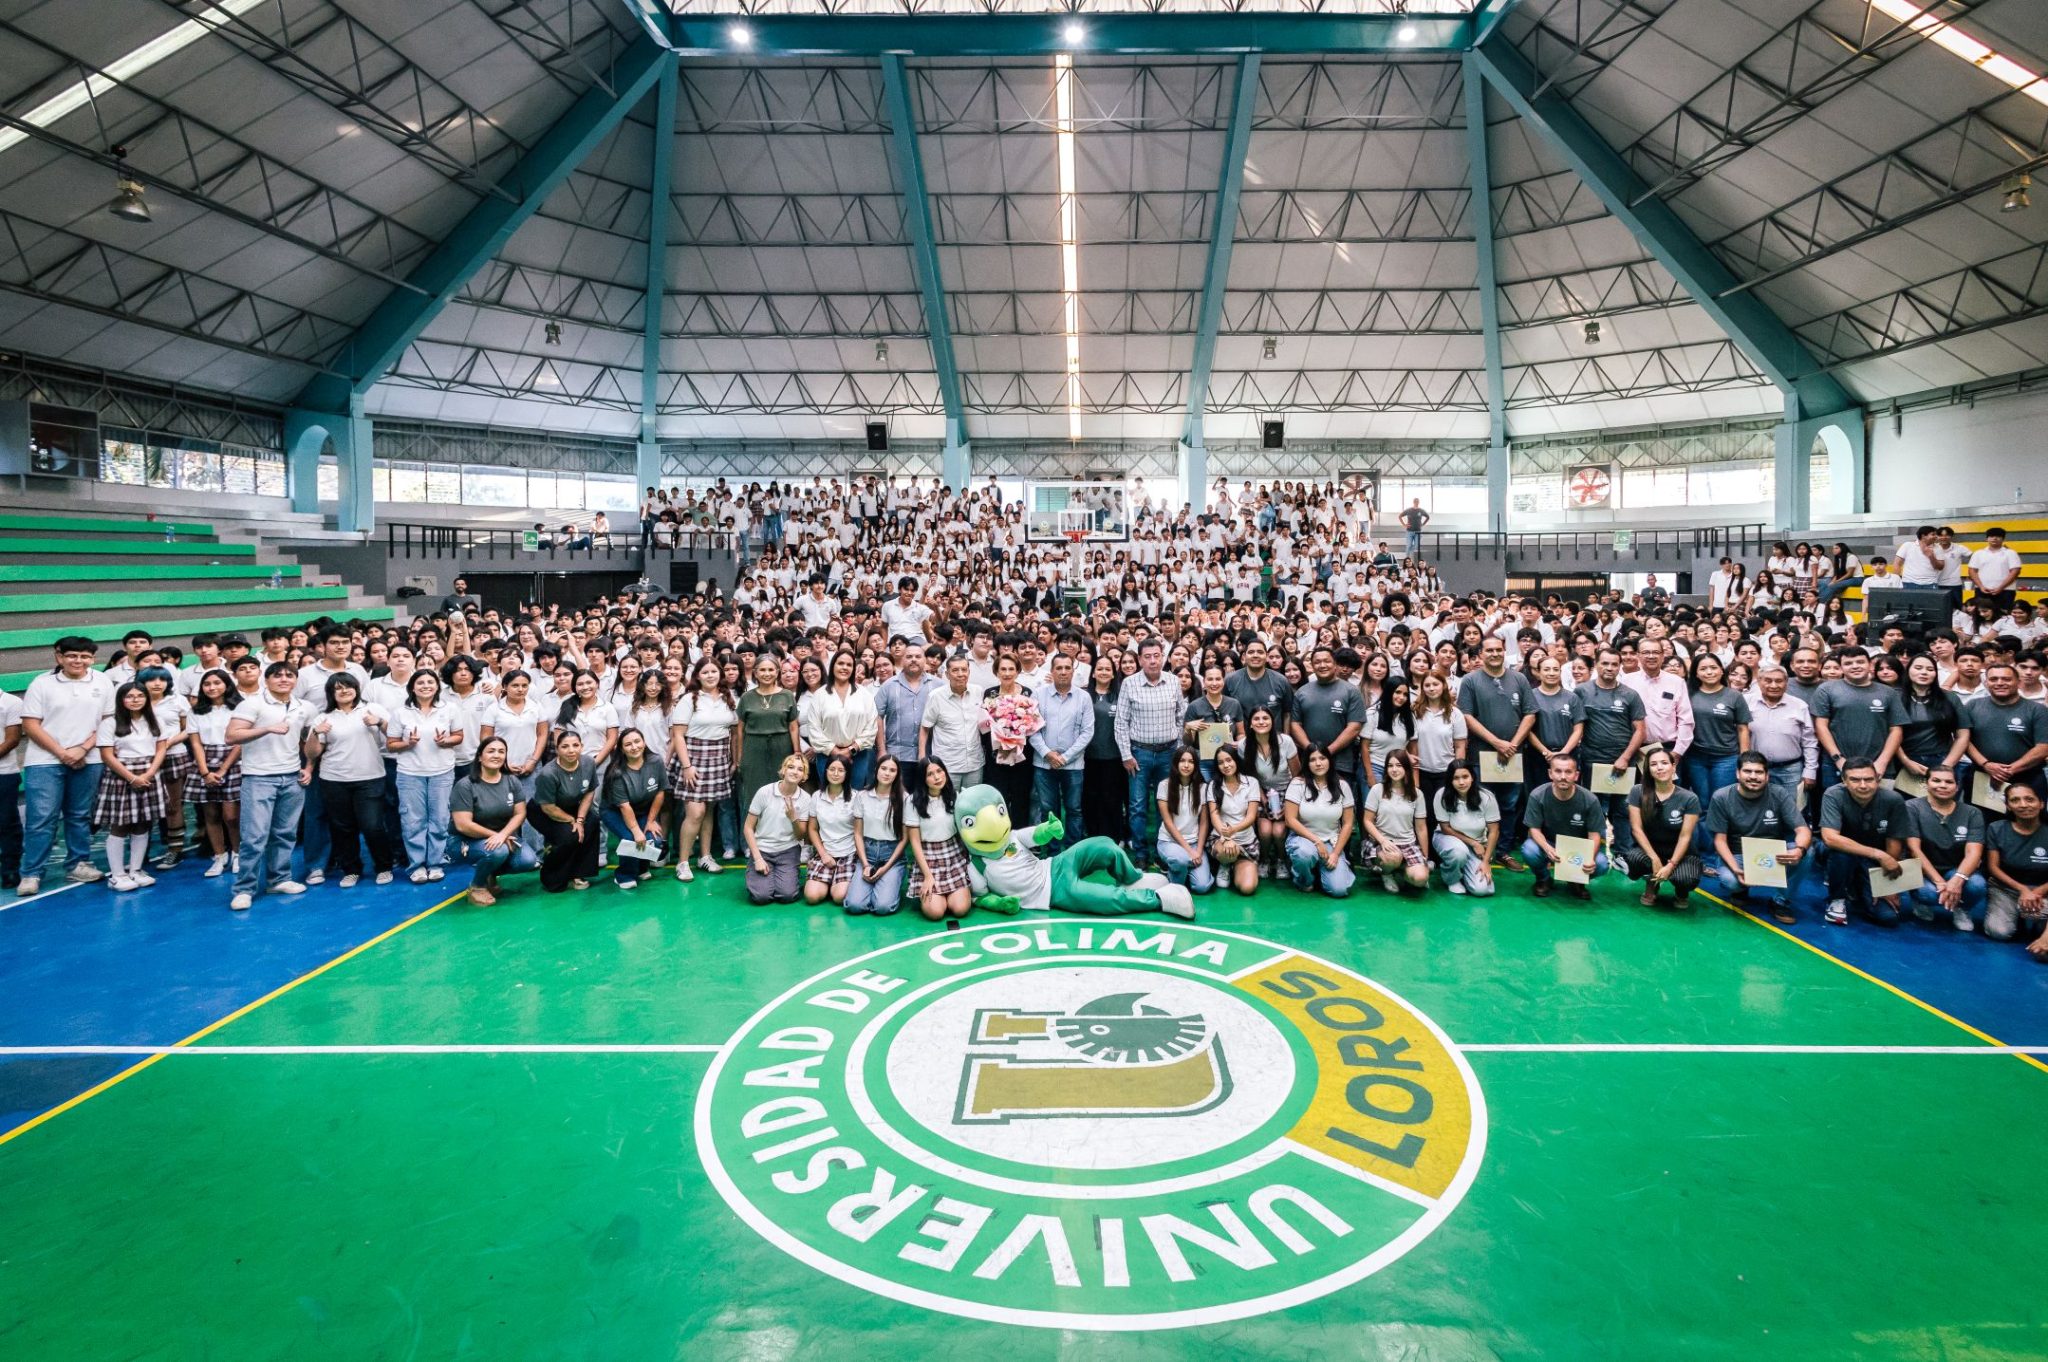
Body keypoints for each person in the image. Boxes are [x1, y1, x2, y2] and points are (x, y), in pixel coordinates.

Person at [17, 636, 114, 895]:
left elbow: (108, 721)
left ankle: (78, 863)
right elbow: (30, 724)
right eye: (72, 655)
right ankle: (31, 873)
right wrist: (62, 752)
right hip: (44, 761)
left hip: (89, 758)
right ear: (59, 657)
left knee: (80, 815)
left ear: (92, 659)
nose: (78, 661)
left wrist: (82, 748)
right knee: (41, 818)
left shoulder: (102, 682)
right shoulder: (42, 683)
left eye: (84, 656)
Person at [224, 661, 314, 911]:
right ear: (267, 679)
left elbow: (310, 741)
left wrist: (308, 768)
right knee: (254, 837)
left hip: (291, 777)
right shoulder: (252, 704)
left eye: (289, 675)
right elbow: (231, 736)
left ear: (296, 679)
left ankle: (279, 879)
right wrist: (266, 729)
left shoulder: (304, 707)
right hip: (258, 777)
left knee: (285, 834)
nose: (283, 679)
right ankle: (244, 889)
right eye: (277, 676)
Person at [305, 673, 398, 888]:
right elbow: (312, 753)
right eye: (338, 688)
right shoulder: (323, 718)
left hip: (370, 777)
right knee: (342, 827)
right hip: (334, 779)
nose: (344, 691)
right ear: (331, 693)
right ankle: (351, 869)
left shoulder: (372, 709)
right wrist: (315, 733)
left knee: (372, 825)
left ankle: (383, 866)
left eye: (348, 686)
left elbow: (395, 735)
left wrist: (380, 722)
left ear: (356, 688)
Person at [1704, 752, 1809, 923]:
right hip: (1738, 856)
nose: (1753, 776)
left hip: (1774, 856)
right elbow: (1719, 841)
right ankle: (1739, 889)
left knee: (1808, 851)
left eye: (1759, 772)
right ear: (1738, 773)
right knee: (1730, 880)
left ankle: (1781, 901)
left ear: (1767, 776)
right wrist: (1735, 869)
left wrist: (1799, 850)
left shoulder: (1779, 794)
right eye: (1748, 771)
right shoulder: (1722, 797)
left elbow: (1802, 829)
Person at [1457, 635, 1536, 863]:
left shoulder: (1519, 679)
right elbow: (1467, 716)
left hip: (1512, 755)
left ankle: (1502, 851)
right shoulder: (1471, 681)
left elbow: (1530, 714)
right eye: (1489, 650)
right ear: (1480, 655)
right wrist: (1496, 742)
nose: (1494, 654)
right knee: (1481, 802)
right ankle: (1480, 849)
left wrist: (1512, 744)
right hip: (1482, 755)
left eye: (1498, 650)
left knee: (1509, 804)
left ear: (1505, 651)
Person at [387, 669, 464, 884]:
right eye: (420, 682)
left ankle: (436, 863)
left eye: (431, 682)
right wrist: (408, 743)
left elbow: (459, 736)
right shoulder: (400, 712)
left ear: (438, 686)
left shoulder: (449, 709)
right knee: (413, 821)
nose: (426, 686)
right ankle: (417, 865)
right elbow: (391, 745)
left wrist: (445, 741)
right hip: (410, 774)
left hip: (442, 772)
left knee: (439, 819)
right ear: (412, 687)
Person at [1116, 637, 1188, 862]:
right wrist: (1126, 755)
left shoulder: (1173, 681)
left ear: (1163, 656)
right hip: (1140, 754)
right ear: (1139, 659)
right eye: (1147, 657)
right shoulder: (1130, 683)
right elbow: (1121, 722)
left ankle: (1162, 851)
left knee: (1164, 805)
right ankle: (1140, 852)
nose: (1153, 661)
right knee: (1137, 806)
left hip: (1168, 754)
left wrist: (1178, 749)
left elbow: (1181, 717)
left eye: (1156, 656)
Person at [93, 681, 168, 892]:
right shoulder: (110, 723)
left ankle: (136, 870)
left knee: (144, 823)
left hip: (149, 772)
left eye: (139, 696)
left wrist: (149, 773)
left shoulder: (156, 720)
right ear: (121, 699)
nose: (135, 700)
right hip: (122, 775)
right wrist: (131, 777)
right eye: (129, 696)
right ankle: (117, 874)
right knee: (120, 824)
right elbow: (107, 755)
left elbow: (161, 748)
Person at [1817, 758, 1911, 926]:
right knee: (1839, 852)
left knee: (1888, 917)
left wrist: (1885, 886)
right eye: (1855, 779)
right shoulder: (1833, 794)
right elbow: (1830, 838)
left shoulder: (1893, 800)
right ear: (1844, 781)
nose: (1863, 785)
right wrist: (1878, 854)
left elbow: (1895, 844)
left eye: (1868, 779)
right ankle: (1837, 899)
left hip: (1874, 863)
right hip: (1845, 855)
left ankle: (1856, 888)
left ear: (1878, 779)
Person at [671, 658, 738, 881]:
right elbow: (678, 735)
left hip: (719, 756)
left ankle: (705, 856)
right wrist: (687, 765)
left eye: (714, 671)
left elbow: (734, 732)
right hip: (694, 756)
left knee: (709, 810)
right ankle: (682, 862)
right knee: (695, 812)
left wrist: (733, 760)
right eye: (705, 672)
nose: (710, 675)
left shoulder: (729, 699)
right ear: (698, 675)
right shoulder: (689, 699)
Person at [450, 736, 538, 905]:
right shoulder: (465, 785)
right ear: (479, 757)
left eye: (501, 751)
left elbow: (520, 813)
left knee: (527, 860)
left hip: (501, 838)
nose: (496, 755)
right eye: (491, 751)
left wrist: (503, 834)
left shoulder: (511, 781)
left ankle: (489, 872)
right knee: (498, 851)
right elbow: (463, 825)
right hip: (464, 841)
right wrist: (498, 837)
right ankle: (477, 886)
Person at [1902, 765, 1987, 931]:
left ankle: (1961, 908)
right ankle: (1920, 902)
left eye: (1949, 782)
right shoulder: (1911, 807)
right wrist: (1940, 882)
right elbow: (1914, 850)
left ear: (1957, 787)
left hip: (1955, 869)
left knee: (1977, 885)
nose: (1942, 785)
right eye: (1936, 780)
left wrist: (1957, 880)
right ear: (1926, 784)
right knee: (1929, 893)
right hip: (1922, 871)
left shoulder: (1972, 813)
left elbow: (1974, 853)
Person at [1521, 751, 1608, 900]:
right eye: (1558, 771)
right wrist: (1548, 849)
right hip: (1550, 843)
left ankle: (1575, 881)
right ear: (1550, 773)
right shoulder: (1537, 795)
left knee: (1601, 864)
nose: (1563, 776)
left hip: (1578, 847)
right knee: (1529, 849)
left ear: (1576, 775)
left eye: (1568, 772)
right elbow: (1534, 829)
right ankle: (1543, 879)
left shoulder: (1590, 799)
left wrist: (1590, 858)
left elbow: (1594, 834)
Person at [1030, 653, 1093, 852]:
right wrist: (1048, 754)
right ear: (1052, 671)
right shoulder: (1038, 695)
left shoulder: (1083, 697)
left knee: (1074, 808)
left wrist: (1065, 757)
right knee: (1048, 808)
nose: (1064, 672)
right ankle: (1053, 851)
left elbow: (1087, 732)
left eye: (1067, 668)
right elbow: (1031, 729)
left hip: (1073, 765)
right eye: (1059, 668)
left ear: (1073, 671)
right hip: (1043, 763)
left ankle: (1072, 849)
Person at [1624, 747, 1701, 908]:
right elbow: (1636, 829)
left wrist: (1671, 864)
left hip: (1681, 853)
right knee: (1633, 858)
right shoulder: (1637, 791)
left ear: (1673, 766)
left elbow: (1685, 836)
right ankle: (1652, 882)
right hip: (1651, 849)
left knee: (1686, 878)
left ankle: (1681, 891)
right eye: (1653, 764)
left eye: (1664, 763)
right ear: (1648, 770)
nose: (1659, 767)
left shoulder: (1689, 798)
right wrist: (1654, 858)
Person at [532, 730, 602, 893]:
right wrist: (573, 822)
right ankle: (551, 876)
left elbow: (589, 792)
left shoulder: (588, 763)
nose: (571, 750)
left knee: (592, 821)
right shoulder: (548, 774)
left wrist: (580, 820)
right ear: (557, 750)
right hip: (544, 810)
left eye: (575, 745)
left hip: (573, 806)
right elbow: (548, 808)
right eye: (565, 746)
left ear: (582, 747)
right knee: (569, 835)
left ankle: (579, 873)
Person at [1284, 744, 1356, 897]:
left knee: (1339, 890)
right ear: (1306, 764)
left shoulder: (1342, 785)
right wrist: (1316, 841)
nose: (1318, 763)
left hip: (1332, 842)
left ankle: (1324, 870)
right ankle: (1304, 880)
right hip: (1304, 840)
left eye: (1322, 758)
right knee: (1305, 854)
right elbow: (1290, 820)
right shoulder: (1298, 784)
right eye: (1312, 760)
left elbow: (1348, 824)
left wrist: (1336, 854)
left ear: (1329, 760)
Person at [906, 757, 973, 920]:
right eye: (930, 774)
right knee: (935, 912)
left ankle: (955, 892)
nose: (937, 777)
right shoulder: (912, 802)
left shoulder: (954, 796)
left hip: (953, 854)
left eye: (939, 771)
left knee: (960, 909)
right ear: (923, 778)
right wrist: (928, 876)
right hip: (928, 857)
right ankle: (936, 895)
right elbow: (914, 841)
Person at [1984, 782, 2048, 953]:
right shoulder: (1996, 829)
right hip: (2006, 889)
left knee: (2043, 925)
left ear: (2041, 803)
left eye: (2029, 799)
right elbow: (1993, 868)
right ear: (2008, 806)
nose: (2023, 805)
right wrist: (2023, 890)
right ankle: (2019, 915)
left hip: (2043, 891)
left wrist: (2038, 892)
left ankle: (2041, 930)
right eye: (2015, 800)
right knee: (1998, 932)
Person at [602, 729, 668, 890]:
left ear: (644, 742)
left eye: (637, 741)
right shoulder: (616, 771)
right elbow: (624, 806)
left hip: (642, 810)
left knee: (656, 840)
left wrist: (651, 821)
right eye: (628, 744)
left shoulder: (656, 761)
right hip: (615, 812)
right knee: (632, 839)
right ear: (622, 749)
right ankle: (624, 875)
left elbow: (660, 792)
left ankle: (641, 868)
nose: (634, 747)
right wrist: (636, 831)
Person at [736, 653, 800, 815]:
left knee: (781, 793)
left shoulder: (787, 695)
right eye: (762, 670)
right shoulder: (747, 697)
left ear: (777, 671)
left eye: (771, 669)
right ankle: (751, 838)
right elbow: (739, 730)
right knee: (753, 795)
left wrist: (797, 752)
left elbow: (793, 727)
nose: (767, 673)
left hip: (781, 749)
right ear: (755, 672)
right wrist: (739, 757)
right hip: (754, 750)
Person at [744, 752, 812, 905]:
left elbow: (800, 835)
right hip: (763, 850)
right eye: (791, 767)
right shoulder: (765, 792)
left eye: (800, 769)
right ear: (783, 770)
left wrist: (793, 817)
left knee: (787, 895)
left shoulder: (806, 798)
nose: (795, 771)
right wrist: (758, 858)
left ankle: (778, 875)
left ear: (804, 776)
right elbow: (748, 828)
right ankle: (755, 872)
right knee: (761, 897)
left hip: (788, 850)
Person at [845, 754, 909, 916]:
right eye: (884, 768)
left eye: (892, 770)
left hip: (892, 856)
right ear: (876, 770)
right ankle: (872, 886)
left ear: (897, 774)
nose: (887, 773)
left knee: (883, 907)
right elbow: (858, 833)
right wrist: (865, 864)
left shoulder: (905, 799)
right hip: (868, 853)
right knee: (854, 906)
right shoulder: (862, 796)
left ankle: (890, 882)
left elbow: (905, 839)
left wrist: (886, 868)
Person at [1362, 749, 1429, 894]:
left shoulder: (1417, 794)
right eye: (1390, 766)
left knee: (1420, 879)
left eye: (1399, 765)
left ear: (1406, 768)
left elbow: (1421, 827)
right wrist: (1383, 841)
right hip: (1382, 842)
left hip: (1408, 843)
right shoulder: (1377, 790)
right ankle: (1387, 873)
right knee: (1393, 858)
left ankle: (1403, 871)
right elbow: (1367, 821)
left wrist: (1425, 856)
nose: (1394, 769)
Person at [1243, 706, 1299, 878]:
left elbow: (1298, 776)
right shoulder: (1244, 745)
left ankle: (1282, 860)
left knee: (1278, 832)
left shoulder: (1286, 742)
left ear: (1272, 722)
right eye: (1257, 719)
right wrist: (1263, 799)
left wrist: (1289, 803)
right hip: (1260, 792)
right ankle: (1264, 860)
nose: (1261, 722)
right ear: (1250, 724)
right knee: (1266, 832)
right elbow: (1250, 777)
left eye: (1265, 718)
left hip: (1287, 792)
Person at [1429, 760, 1497, 897]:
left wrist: (1485, 861)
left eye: (1465, 777)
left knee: (1483, 890)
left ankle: (1466, 869)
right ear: (1450, 780)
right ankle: (1451, 879)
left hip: (1477, 846)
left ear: (1472, 777)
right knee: (1458, 852)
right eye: (1456, 778)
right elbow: (1445, 828)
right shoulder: (1441, 795)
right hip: (1448, 838)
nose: (1461, 782)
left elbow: (1494, 831)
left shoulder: (1486, 797)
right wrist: (1473, 843)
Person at [1082, 655, 1128, 850]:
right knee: (1090, 798)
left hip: (1114, 757)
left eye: (1107, 669)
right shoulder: (1084, 695)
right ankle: (1092, 836)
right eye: (1099, 669)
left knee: (1112, 799)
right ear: (1093, 672)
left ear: (1113, 672)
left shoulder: (1120, 695)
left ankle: (1114, 836)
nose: (1103, 672)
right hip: (1088, 758)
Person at [1154, 744, 1213, 893]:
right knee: (1180, 860)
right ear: (1176, 763)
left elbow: (1204, 822)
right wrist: (1189, 852)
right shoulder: (1164, 785)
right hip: (1169, 842)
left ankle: (1180, 871)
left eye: (1191, 761)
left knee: (1202, 886)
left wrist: (1198, 850)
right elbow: (1168, 822)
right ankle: (1177, 873)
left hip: (1194, 843)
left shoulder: (1202, 787)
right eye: (1182, 761)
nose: (1186, 765)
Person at [1206, 744, 1261, 896]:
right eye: (1221, 762)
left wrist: (1234, 830)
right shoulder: (1213, 785)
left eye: (1229, 760)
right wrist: (1226, 837)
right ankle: (1225, 864)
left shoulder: (1251, 783)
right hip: (1221, 839)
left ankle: (1236, 865)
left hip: (1246, 841)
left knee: (1248, 888)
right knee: (1226, 850)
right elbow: (1214, 815)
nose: (1226, 765)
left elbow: (1251, 817)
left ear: (1236, 760)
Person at [804, 755, 857, 906]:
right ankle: (828, 882)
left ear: (847, 774)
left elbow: (859, 831)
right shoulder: (817, 796)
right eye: (832, 769)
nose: (835, 773)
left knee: (839, 897)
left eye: (841, 770)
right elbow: (813, 829)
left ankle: (835, 883)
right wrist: (823, 854)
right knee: (812, 896)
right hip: (825, 854)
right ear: (825, 771)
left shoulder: (855, 797)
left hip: (848, 854)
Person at [0, 683, 19, 891]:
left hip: (4, 772)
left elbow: (12, 739)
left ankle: (10, 869)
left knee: (6, 823)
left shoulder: (11, 702)